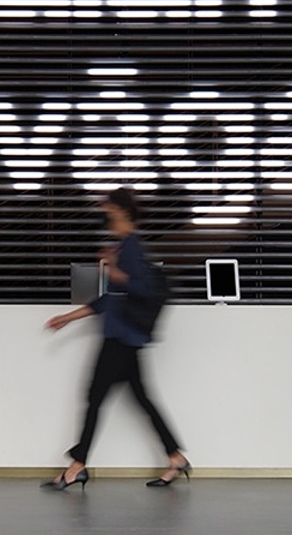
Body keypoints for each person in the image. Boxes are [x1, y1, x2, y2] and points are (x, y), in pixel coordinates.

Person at [41, 187, 191, 491]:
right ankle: (175, 457)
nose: (106, 216)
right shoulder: (123, 247)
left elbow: (141, 290)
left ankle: (77, 466)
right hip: (126, 338)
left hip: (121, 339)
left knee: (95, 397)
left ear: (122, 211)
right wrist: (67, 318)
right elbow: (110, 301)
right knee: (140, 400)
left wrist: (117, 273)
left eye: (109, 210)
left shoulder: (132, 248)